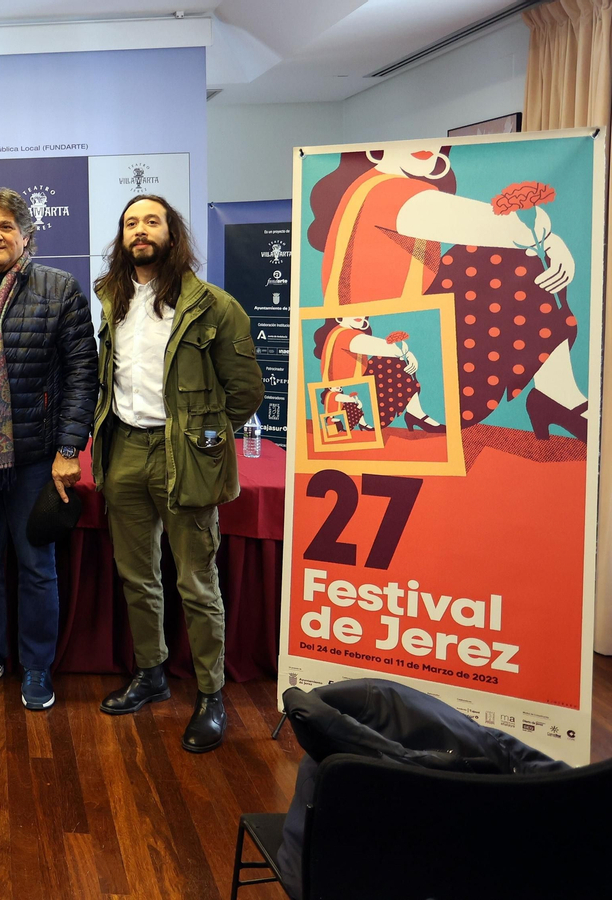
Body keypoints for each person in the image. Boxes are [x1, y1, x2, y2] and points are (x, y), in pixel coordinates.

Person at [91, 195, 261, 752]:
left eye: (152, 221)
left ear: (172, 233)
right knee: (137, 575)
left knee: (195, 579)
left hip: (181, 453)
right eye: (131, 223)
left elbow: (245, 392)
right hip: (122, 449)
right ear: (122, 237)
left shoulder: (213, 305)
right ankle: (151, 673)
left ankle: (212, 695)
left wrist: (206, 439)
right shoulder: (111, 298)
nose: (141, 230)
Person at [0, 189, 97, 710]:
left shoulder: (59, 289)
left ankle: (36, 666)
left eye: (7, 226)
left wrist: (70, 446)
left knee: (37, 566)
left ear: (27, 235)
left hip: (36, 457)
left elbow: (82, 373)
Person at [307, 145, 580, 438]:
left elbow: (515, 235)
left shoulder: (385, 189)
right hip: (418, 355)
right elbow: (514, 230)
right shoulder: (385, 191)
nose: (427, 149)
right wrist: (549, 242)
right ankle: (556, 396)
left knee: (507, 256)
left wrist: (547, 244)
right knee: (516, 258)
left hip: (415, 339)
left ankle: (555, 395)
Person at [311, 315, 439, 432]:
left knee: (389, 361)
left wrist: (406, 354)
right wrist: (407, 354)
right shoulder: (344, 335)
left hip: (355, 389)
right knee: (393, 362)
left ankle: (414, 413)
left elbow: (393, 351)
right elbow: (394, 350)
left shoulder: (341, 332)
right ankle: (414, 414)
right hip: (350, 394)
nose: (358, 314)